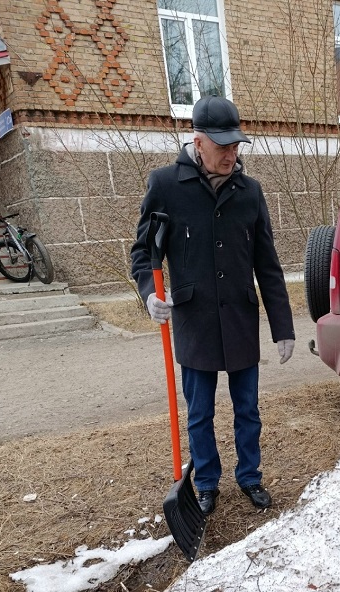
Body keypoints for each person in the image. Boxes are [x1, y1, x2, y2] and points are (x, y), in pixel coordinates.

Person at [131, 96, 295, 515]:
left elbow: (268, 265)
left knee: (248, 410)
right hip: (195, 321)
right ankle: (205, 482)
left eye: (235, 145)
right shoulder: (165, 185)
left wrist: (283, 328)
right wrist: (150, 293)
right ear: (198, 141)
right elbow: (143, 252)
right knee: (200, 413)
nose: (230, 154)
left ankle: (250, 476)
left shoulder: (249, 192)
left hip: (239, 317)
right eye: (222, 146)